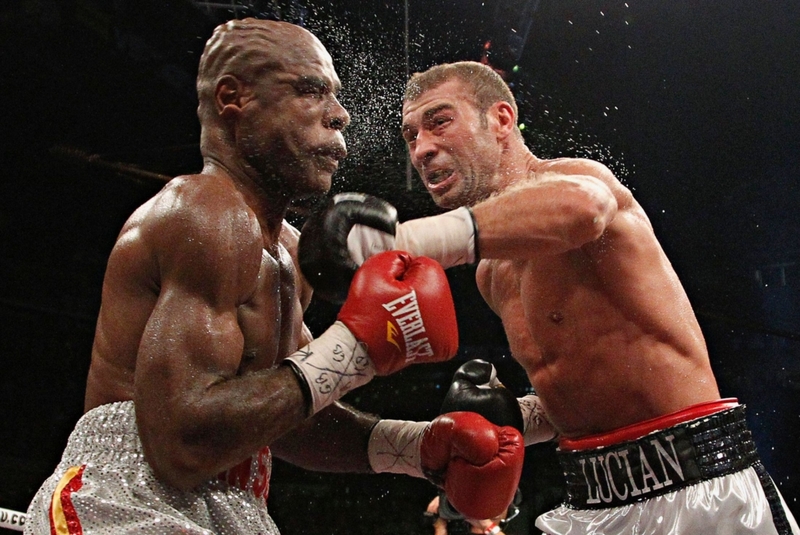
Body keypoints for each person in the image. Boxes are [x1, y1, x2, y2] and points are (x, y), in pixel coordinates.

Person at [22, 25, 525, 535]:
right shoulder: (201, 210)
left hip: (239, 501)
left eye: (335, 94)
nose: (339, 113)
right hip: (131, 495)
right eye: (310, 90)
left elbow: (284, 417)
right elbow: (181, 445)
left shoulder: (287, 250)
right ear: (233, 99)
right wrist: (353, 350)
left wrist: (416, 448)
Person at [298, 61, 799, 534]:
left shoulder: (577, 181)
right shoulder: (491, 274)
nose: (422, 148)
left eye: (440, 122)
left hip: (697, 486)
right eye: (412, 136)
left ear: (501, 118)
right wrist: (516, 417)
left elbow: (584, 208)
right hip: (591, 498)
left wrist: (401, 242)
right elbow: (586, 384)